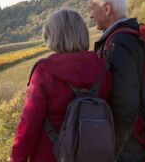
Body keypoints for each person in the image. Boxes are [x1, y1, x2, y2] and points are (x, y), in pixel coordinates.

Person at [12, 9, 111, 162]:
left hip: (51, 154)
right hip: (93, 153)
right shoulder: (102, 67)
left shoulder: (44, 71)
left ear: (53, 37)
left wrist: (18, 158)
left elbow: (29, 124)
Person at [90, 0, 145, 162]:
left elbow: (125, 104)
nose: (90, 15)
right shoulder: (134, 35)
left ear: (107, 8)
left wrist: (112, 150)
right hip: (136, 135)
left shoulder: (119, 43)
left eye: (92, 9)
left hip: (126, 144)